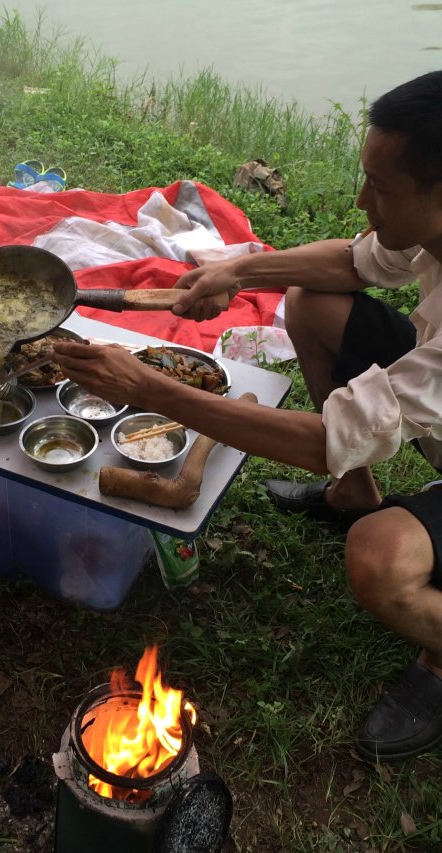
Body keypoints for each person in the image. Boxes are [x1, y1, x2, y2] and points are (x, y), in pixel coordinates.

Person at [53, 70, 442, 763]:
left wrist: (152, 389)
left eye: (379, 188)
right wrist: (236, 272)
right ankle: (354, 492)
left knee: (379, 559)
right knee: (308, 301)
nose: (361, 200)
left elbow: (326, 438)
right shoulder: (429, 226)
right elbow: (355, 263)